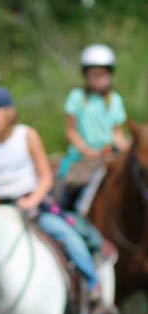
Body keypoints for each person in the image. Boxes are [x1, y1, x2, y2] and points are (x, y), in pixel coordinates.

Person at [0, 87, 117, 314]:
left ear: (8, 112)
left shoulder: (26, 136)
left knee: (68, 236)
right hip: (0, 210)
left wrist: (31, 201)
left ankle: (94, 287)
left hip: (32, 204)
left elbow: (45, 177)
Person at [58, 44, 130, 209]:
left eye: (102, 74)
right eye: (94, 75)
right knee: (72, 187)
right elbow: (70, 130)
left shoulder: (115, 100)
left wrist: (128, 150)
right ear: (86, 75)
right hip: (83, 156)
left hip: (109, 154)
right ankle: (67, 213)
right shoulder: (77, 97)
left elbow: (117, 134)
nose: (98, 79)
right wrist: (86, 150)